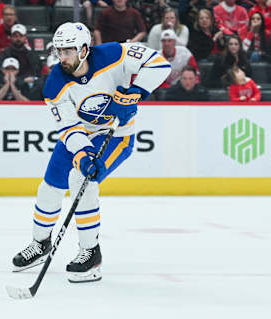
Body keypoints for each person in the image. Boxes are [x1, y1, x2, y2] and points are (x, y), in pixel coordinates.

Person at [11, 22, 170, 282]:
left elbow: (160, 64)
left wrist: (135, 93)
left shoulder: (113, 54)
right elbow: (68, 125)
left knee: (80, 181)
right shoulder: (54, 83)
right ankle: (40, 244)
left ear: (84, 49)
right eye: (59, 51)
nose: (62, 57)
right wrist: (83, 152)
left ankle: (90, 253)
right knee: (49, 187)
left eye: (68, 51)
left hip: (115, 135)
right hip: (80, 135)